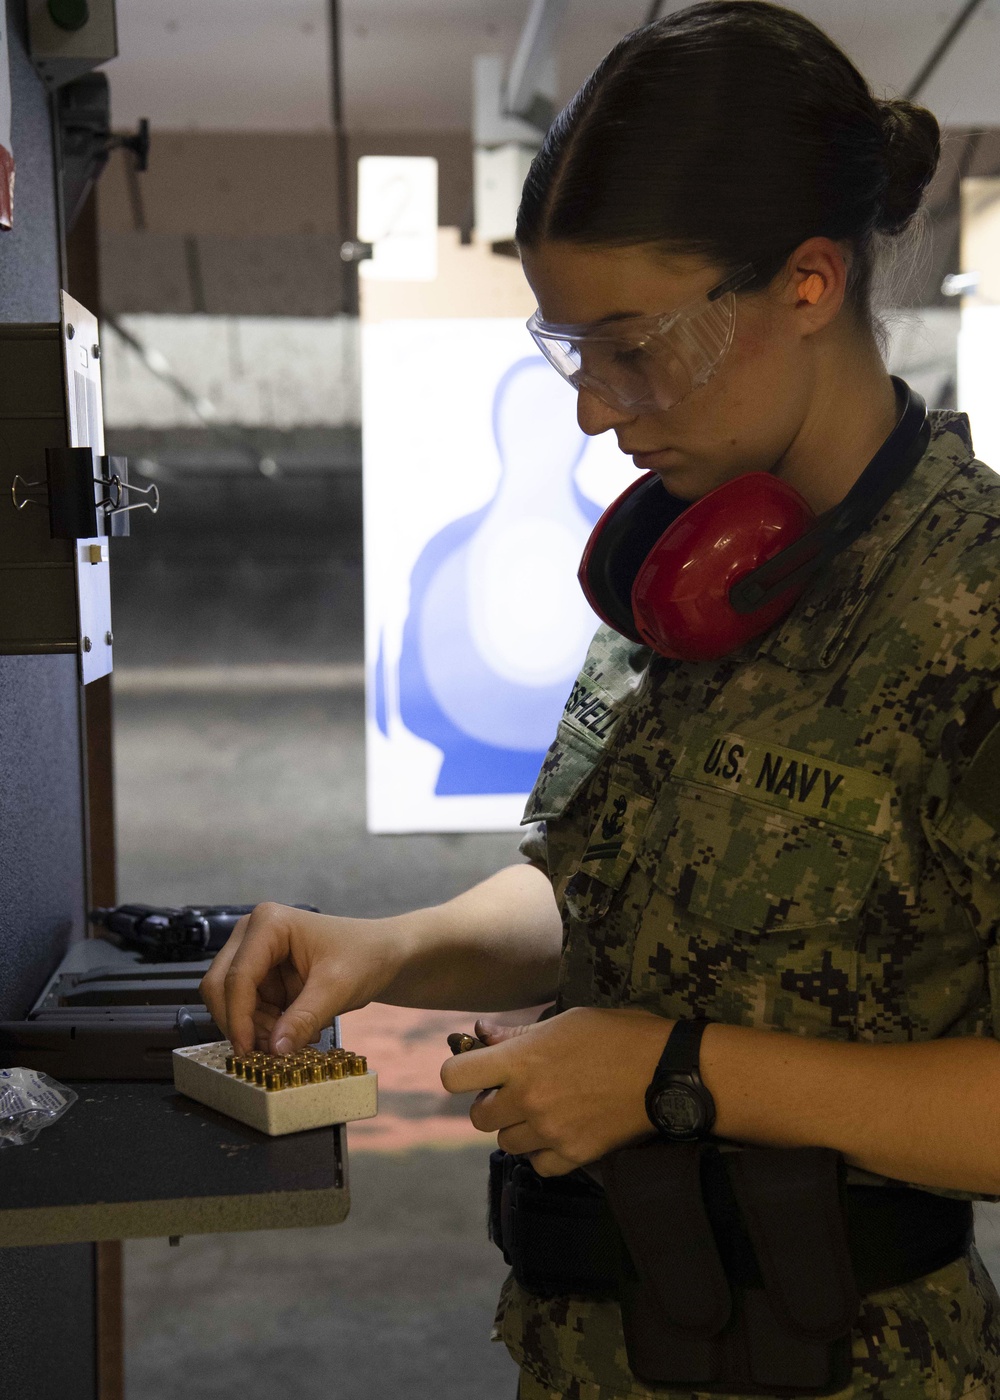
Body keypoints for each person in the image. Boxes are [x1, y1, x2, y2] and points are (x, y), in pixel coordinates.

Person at [200, 3, 1000, 1395]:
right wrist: (391, 949)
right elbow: (611, 890)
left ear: (808, 283)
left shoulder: (977, 603)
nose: (594, 408)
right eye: (575, 351)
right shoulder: (683, 572)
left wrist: (675, 1071)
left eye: (637, 345)